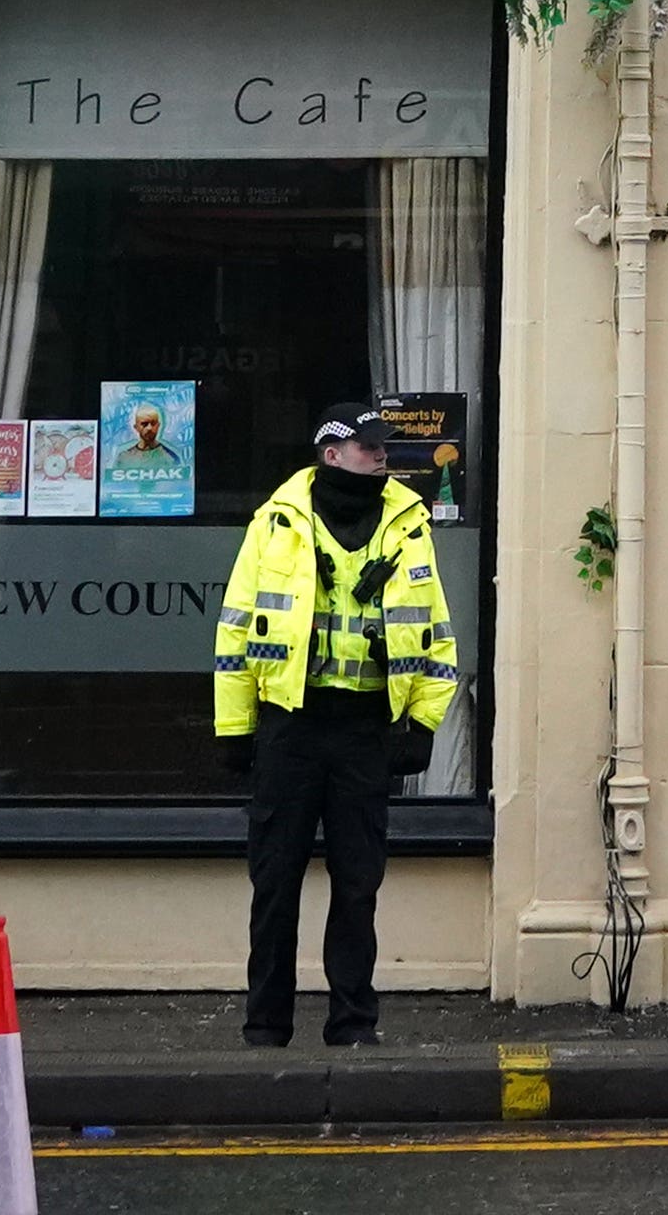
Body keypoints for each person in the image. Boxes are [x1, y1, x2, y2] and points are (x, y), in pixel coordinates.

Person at [210, 406, 455, 1048]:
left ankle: (352, 1022)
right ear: (332, 455)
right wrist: (235, 729)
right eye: (368, 446)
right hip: (289, 727)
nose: (381, 455)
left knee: (358, 884)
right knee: (274, 883)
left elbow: (437, 632)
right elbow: (236, 627)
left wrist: (422, 721)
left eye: (383, 446)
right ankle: (266, 1023)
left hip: (365, 730)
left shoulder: (409, 525)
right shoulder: (276, 522)